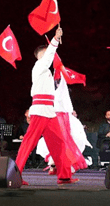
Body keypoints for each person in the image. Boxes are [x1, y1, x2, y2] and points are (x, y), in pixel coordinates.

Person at [15, 27, 76, 184]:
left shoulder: (46, 71)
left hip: (49, 111)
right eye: (48, 52)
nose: (51, 55)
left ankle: (64, 175)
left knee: (59, 143)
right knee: (29, 143)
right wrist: (55, 39)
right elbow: (49, 56)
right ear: (41, 55)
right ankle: (15, 174)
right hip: (40, 110)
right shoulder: (39, 66)